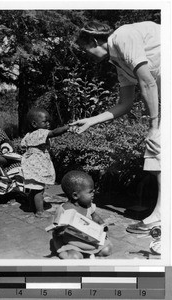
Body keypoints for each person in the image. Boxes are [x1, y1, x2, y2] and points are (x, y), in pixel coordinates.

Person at [71, 20, 161, 238]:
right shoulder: (117, 61)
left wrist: (154, 126)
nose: (87, 56)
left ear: (93, 40)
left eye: (85, 50)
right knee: (158, 153)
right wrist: (91, 120)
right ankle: (161, 213)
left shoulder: (122, 36)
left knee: (158, 146)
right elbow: (125, 103)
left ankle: (162, 215)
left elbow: (148, 82)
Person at [21, 107, 70, 218]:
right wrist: (66, 127)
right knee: (39, 188)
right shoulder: (40, 132)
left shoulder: (29, 134)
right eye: (44, 121)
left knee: (33, 187)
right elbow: (53, 133)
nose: (48, 124)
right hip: (38, 164)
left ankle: (31, 206)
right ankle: (40, 211)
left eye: (49, 121)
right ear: (34, 124)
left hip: (30, 164)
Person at [52, 170, 112, 259]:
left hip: (90, 241)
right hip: (73, 242)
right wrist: (59, 243)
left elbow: (95, 216)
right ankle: (65, 252)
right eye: (90, 192)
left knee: (107, 250)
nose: (93, 194)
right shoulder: (63, 210)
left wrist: (102, 226)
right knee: (75, 257)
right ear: (75, 195)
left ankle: (88, 253)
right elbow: (56, 231)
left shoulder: (88, 205)